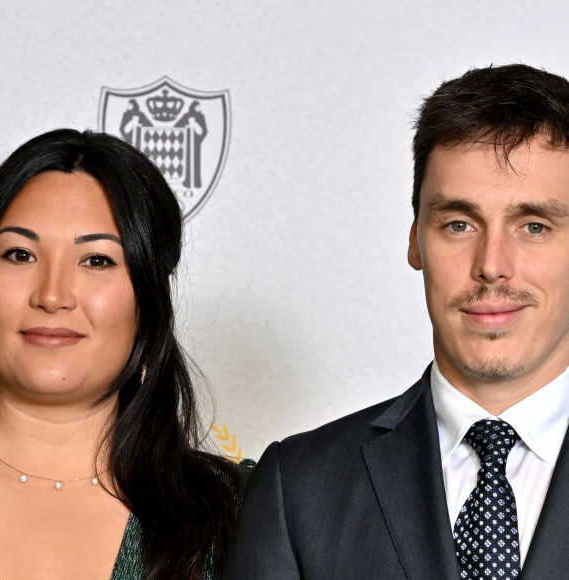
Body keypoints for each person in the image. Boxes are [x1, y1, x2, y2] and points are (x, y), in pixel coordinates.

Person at [223, 63, 569, 580]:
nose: (492, 264)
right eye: (458, 224)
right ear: (415, 241)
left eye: (534, 226)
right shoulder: (297, 489)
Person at [0, 128, 253, 580]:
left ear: (149, 302)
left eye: (97, 261)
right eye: (19, 254)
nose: (52, 296)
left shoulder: (237, 509)